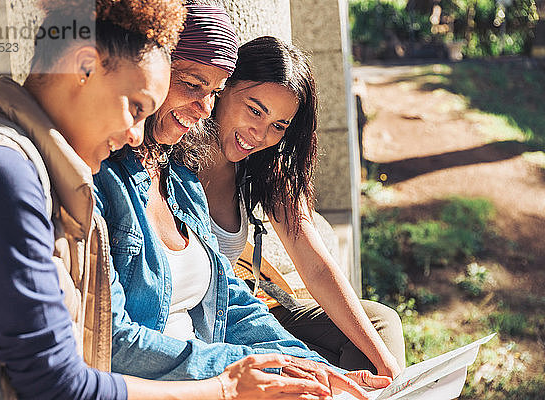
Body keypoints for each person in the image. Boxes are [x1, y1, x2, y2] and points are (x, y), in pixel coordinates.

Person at [0, 1, 332, 399]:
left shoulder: (51, 174)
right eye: (135, 107)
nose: (135, 135)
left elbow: (227, 298)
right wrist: (226, 387)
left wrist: (310, 371)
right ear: (83, 68)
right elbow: (57, 381)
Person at [94, 2, 392, 399]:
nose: (203, 108)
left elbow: (236, 298)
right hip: (186, 380)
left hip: (223, 351)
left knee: (375, 333)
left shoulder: (182, 181)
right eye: (192, 84)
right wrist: (243, 374)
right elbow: (115, 341)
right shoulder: (107, 180)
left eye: (212, 92)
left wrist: (311, 371)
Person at [192, 36, 406, 378]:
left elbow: (317, 267)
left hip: (247, 305)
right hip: (207, 326)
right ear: (223, 86)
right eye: (255, 110)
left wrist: (386, 364)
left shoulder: (262, 166)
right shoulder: (178, 153)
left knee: (380, 325)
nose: (260, 135)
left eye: (279, 126)